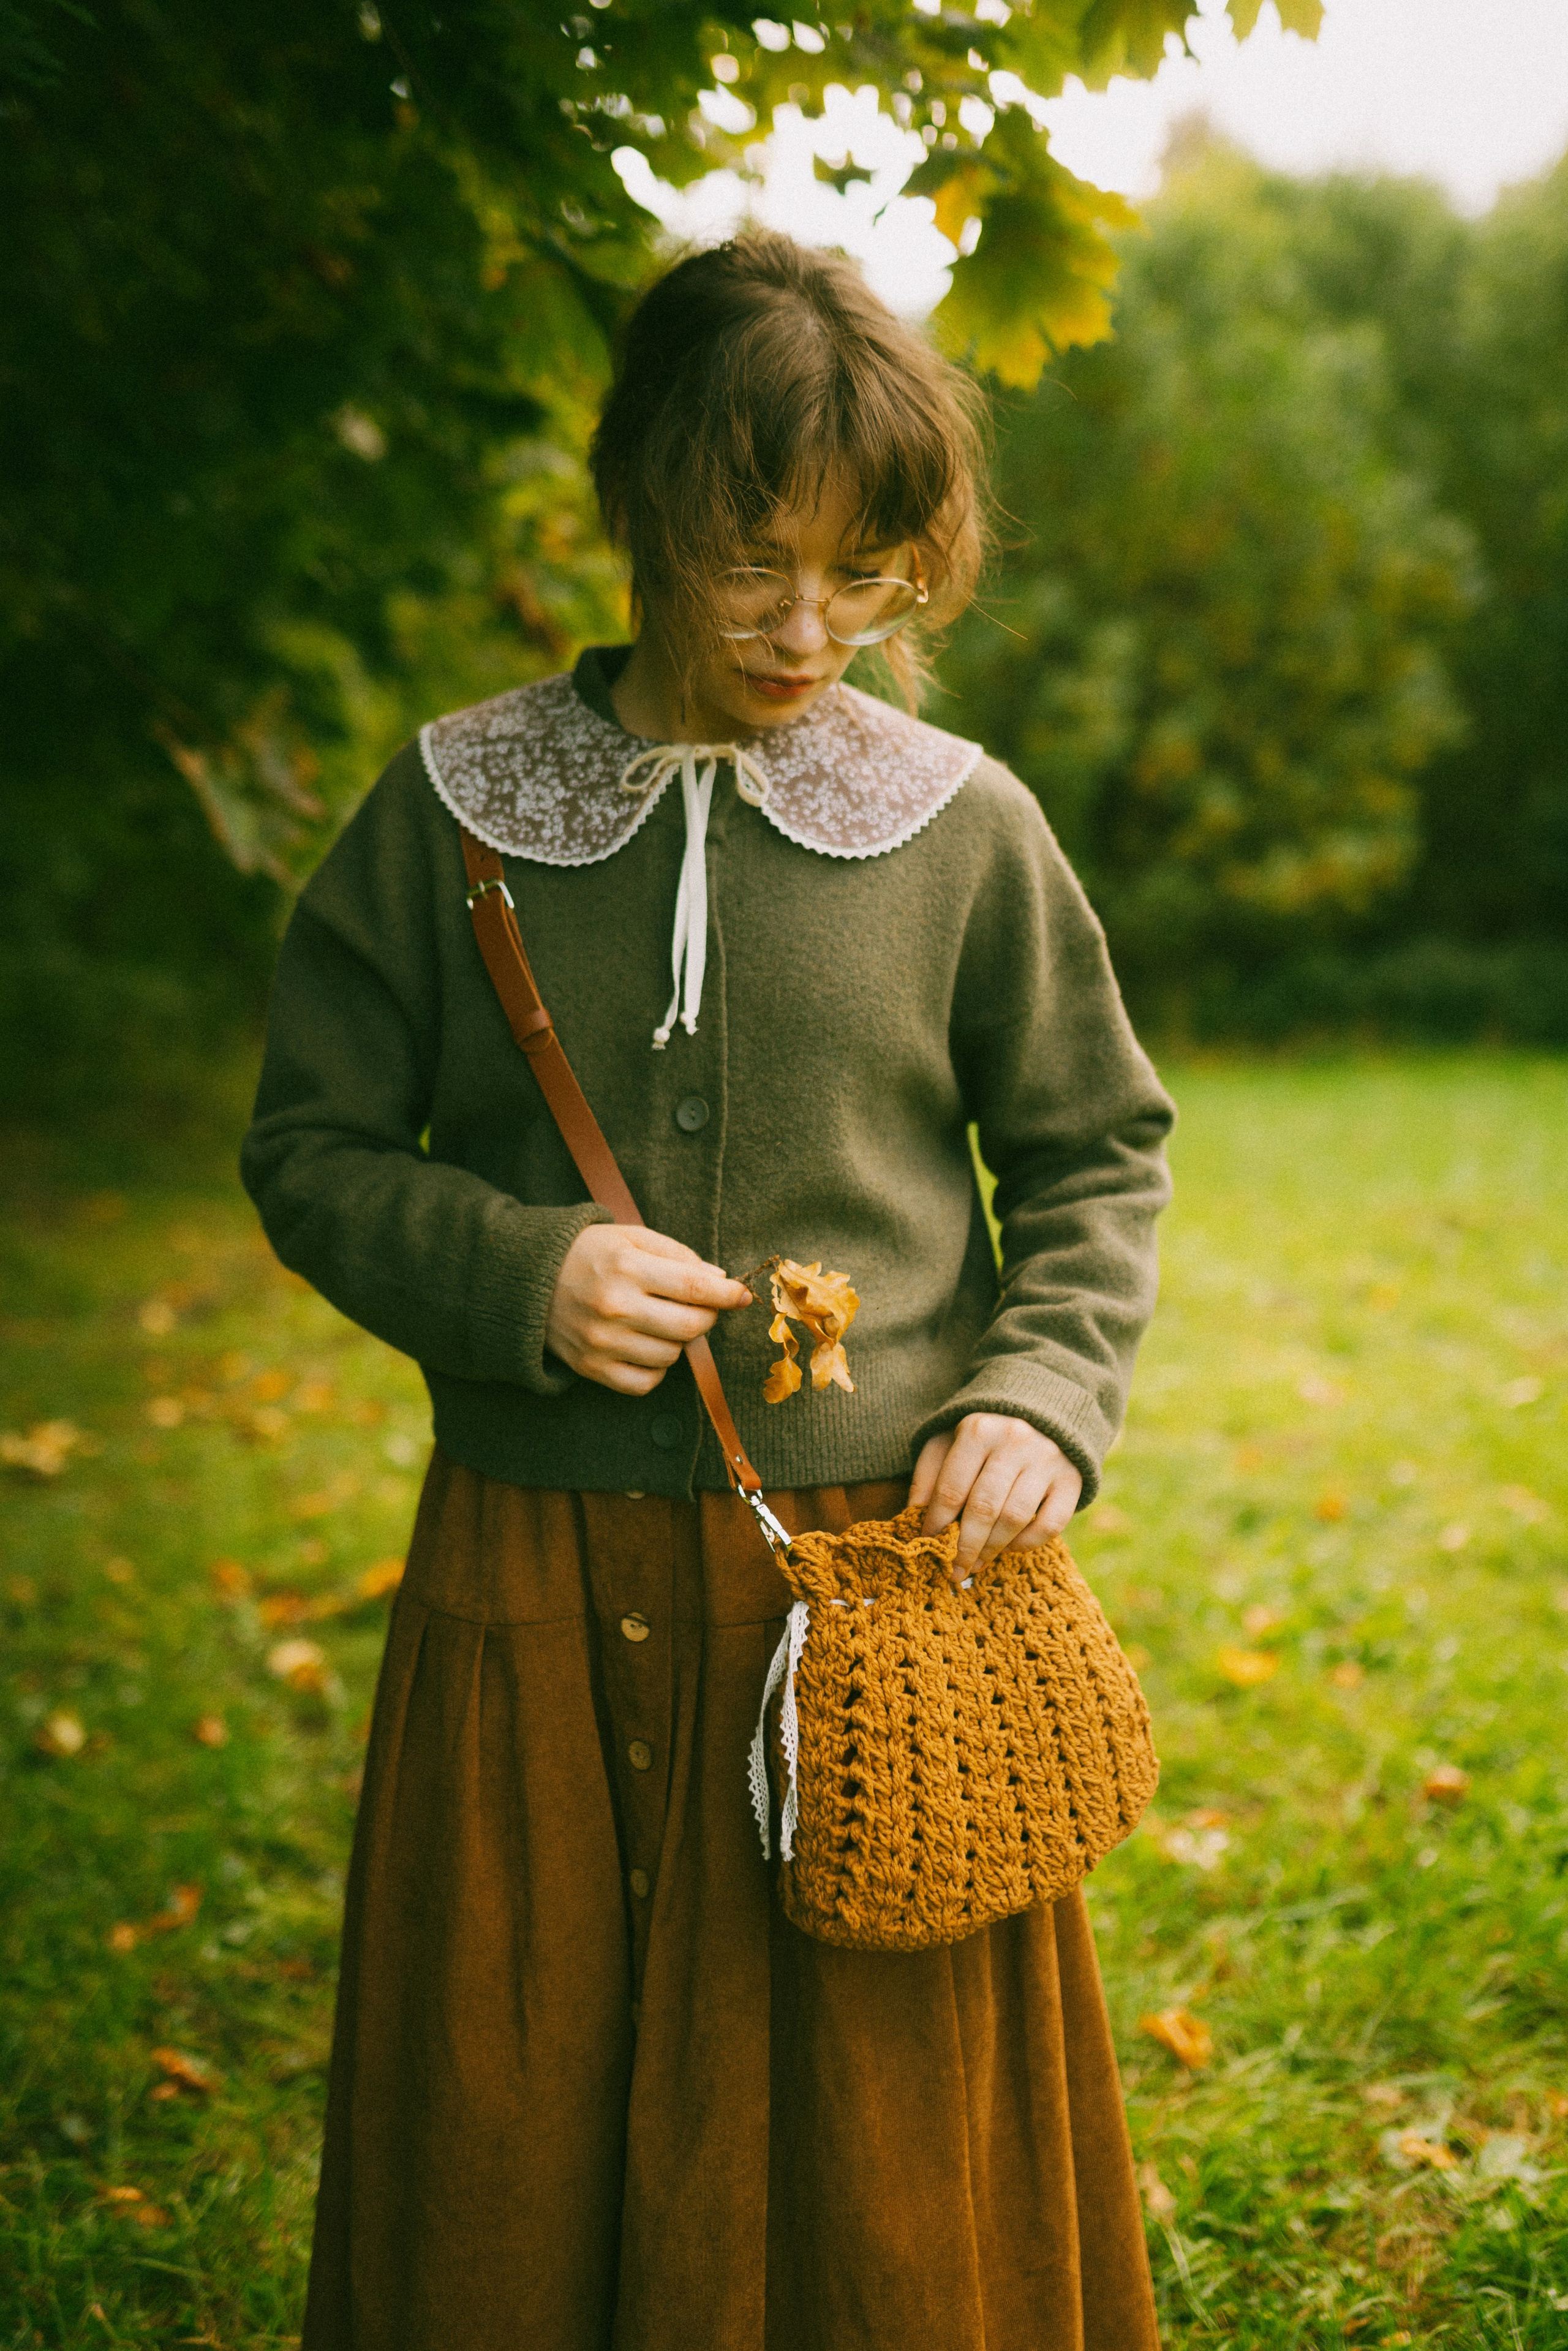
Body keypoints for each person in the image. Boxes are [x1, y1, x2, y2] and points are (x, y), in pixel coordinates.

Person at [242, 228, 1175, 2351]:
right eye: (755, 559)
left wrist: (1040, 1396)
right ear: (643, 506)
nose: (807, 625)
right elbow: (305, 1150)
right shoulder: (454, 807)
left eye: (869, 571)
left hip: (875, 1597)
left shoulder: (962, 831)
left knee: (878, 2138)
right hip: (533, 1582)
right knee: (515, 2087)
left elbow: (1098, 1151)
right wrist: (514, 1271)